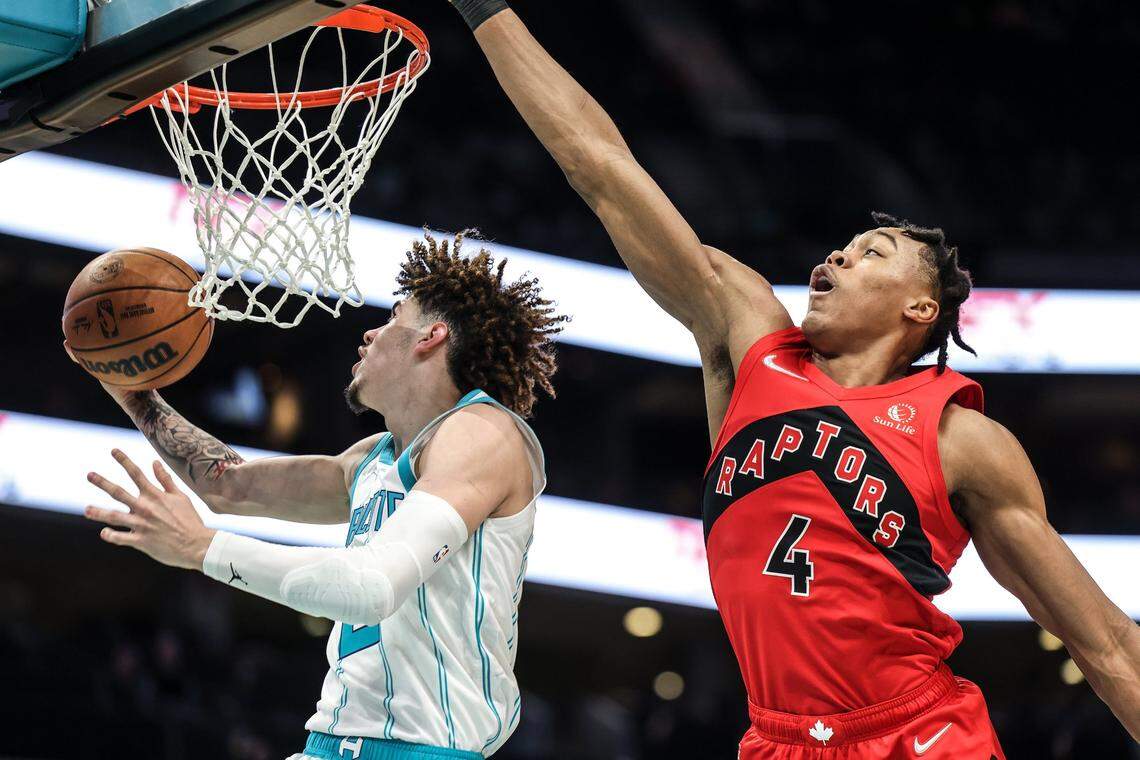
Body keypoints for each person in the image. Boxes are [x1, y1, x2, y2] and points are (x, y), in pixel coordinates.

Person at [443, 2, 1140, 756]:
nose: (839, 256)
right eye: (843, 246)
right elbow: (599, 165)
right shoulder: (749, 345)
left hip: (921, 734)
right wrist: (486, 11)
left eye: (872, 251)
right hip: (776, 740)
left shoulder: (961, 439)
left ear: (920, 307)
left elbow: (1104, 643)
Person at [79, 231, 567, 759]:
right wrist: (132, 391)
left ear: (430, 336)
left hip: (424, 750)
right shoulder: (371, 460)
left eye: (392, 319)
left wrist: (202, 549)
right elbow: (228, 486)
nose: (370, 335)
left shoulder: (485, 434)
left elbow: (373, 586)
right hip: (330, 744)